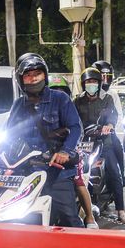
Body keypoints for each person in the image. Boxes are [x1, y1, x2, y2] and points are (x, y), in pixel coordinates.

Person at [4, 53, 83, 228]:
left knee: (69, 216)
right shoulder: (18, 105)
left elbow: (75, 128)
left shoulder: (60, 99)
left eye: (37, 74)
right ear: (20, 79)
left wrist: (65, 151)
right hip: (27, 171)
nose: (33, 79)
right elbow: (7, 134)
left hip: (56, 170)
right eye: (28, 75)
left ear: (44, 76)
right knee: (14, 216)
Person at [74, 67, 125, 224]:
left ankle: (121, 210)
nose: (91, 84)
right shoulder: (77, 100)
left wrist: (109, 125)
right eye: (88, 82)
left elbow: (112, 116)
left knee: (114, 171)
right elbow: (73, 120)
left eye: (94, 82)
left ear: (99, 83)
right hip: (84, 142)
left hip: (104, 140)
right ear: (83, 84)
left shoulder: (107, 98)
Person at [48, 74, 97, 228]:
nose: (58, 94)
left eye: (61, 91)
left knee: (78, 181)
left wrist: (66, 150)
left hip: (69, 154)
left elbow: (77, 130)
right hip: (43, 159)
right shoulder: (30, 106)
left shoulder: (69, 107)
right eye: (54, 90)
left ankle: (89, 217)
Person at [92, 60, 125, 186]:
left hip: (107, 133)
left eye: (108, 77)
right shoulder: (83, 95)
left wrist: (112, 128)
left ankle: (122, 176)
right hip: (89, 134)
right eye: (102, 77)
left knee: (118, 149)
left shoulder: (112, 94)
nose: (105, 80)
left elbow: (117, 114)